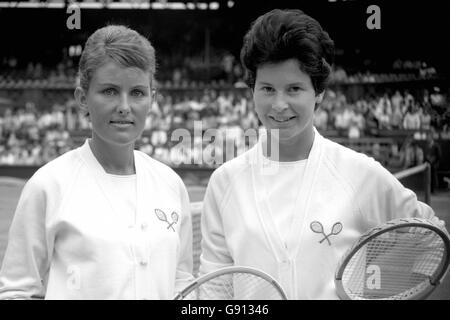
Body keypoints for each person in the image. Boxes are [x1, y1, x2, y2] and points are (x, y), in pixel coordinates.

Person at [199, 9, 445, 299]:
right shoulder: (224, 182)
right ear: (252, 90)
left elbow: (432, 236)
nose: (279, 104)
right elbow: (215, 287)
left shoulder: (358, 173)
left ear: (319, 92)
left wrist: (401, 292)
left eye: (294, 89)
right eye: (267, 88)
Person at [0, 25, 193, 299]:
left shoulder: (170, 184)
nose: (124, 106)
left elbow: (182, 282)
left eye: (137, 92)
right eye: (110, 91)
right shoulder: (48, 185)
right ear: (83, 98)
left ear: (153, 99)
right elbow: (17, 290)